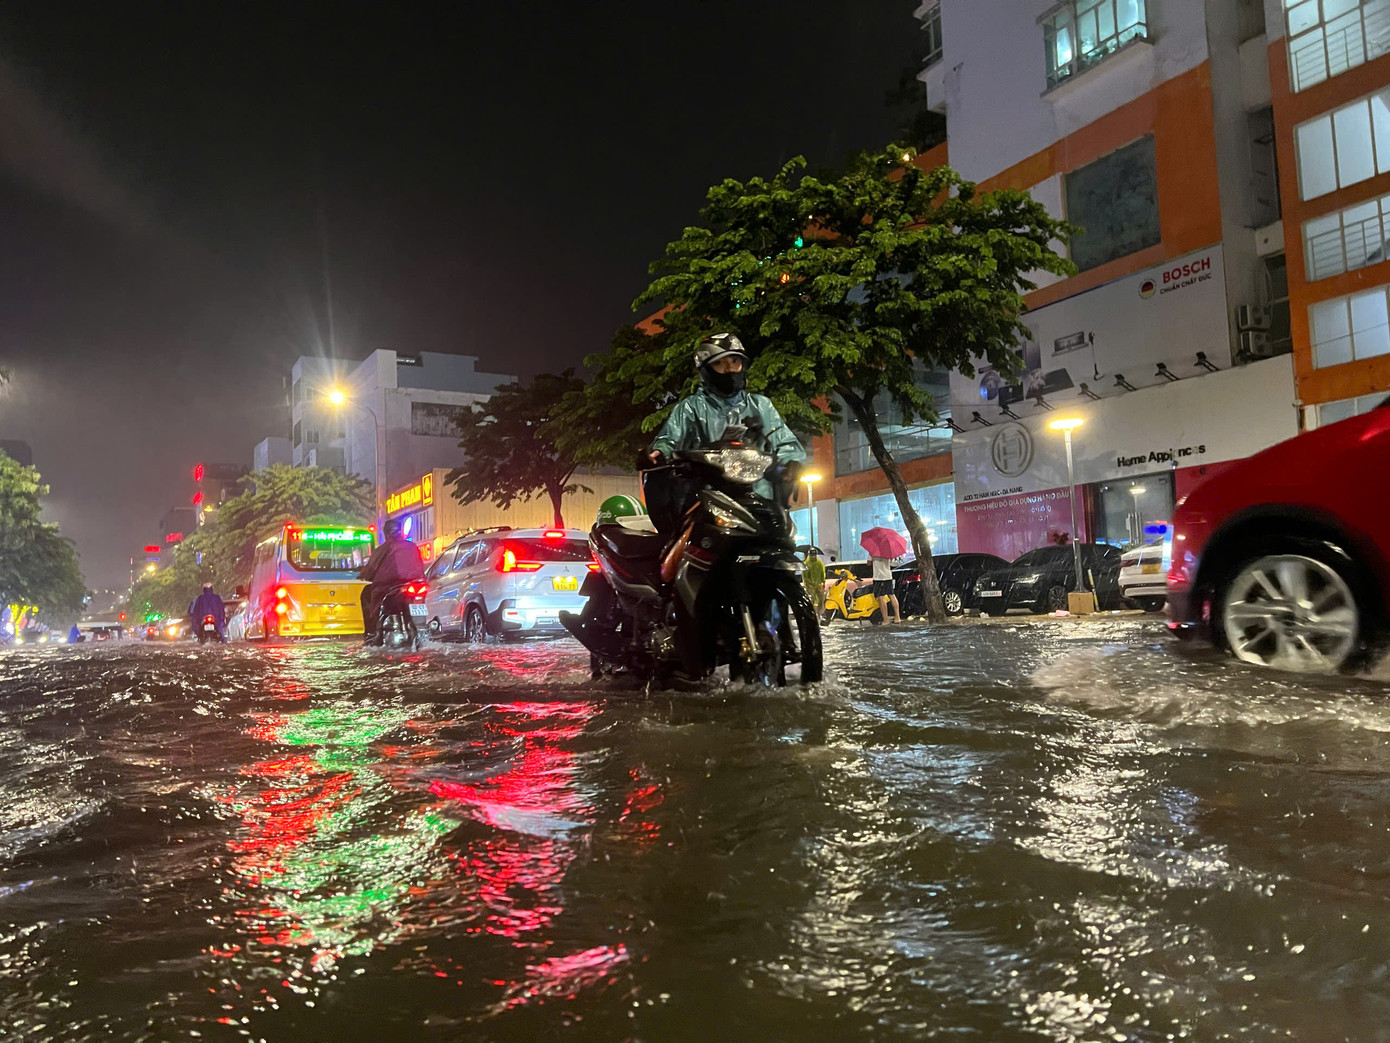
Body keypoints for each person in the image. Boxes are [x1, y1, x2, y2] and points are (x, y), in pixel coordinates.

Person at [642, 333, 806, 507]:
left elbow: (783, 439)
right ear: (706, 370)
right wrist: (659, 453)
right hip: (708, 500)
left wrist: (792, 462)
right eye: (719, 363)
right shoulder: (690, 407)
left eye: (735, 361)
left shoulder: (761, 405)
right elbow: (670, 438)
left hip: (760, 501)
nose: (729, 368)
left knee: (782, 532)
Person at [357, 518, 426, 639]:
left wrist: (363, 575)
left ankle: (372, 633)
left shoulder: (384, 548)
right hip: (417, 585)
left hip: (390, 588)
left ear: (386, 533)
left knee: (367, 593)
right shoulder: (412, 546)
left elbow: (371, 567)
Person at [870, 554, 902, 624]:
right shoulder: (888, 550)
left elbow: (868, 563)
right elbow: (891, 563)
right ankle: (897, 617)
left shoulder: (872, 551)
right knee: (892, 595)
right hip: (888, 576)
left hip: (878, 577)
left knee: (881, 598)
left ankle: (885, 619)